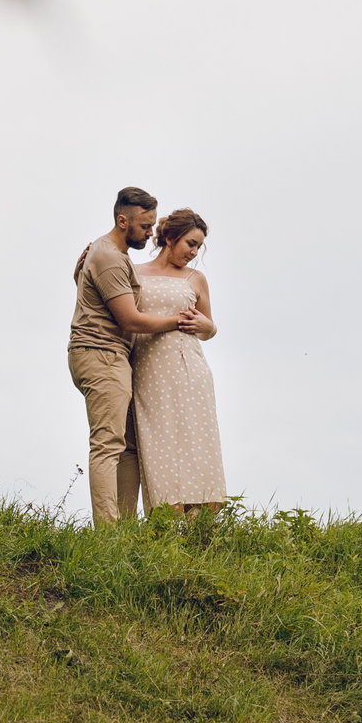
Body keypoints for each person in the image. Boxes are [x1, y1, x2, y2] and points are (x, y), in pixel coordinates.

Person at [68, 187, 198, 526]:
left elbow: (97, 295)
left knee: (127, 448)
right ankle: (107, 533)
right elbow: (130, 320)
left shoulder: (113, 255)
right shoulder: (110, 256)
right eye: (144, 226)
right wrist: (179, 321)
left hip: (112, 357)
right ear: (122, 221)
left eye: (152, 224)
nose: (151, 233)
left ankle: (123, 530)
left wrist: (78, 277)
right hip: (102, 355)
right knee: (108, 445)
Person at [131, 208, 225, 515]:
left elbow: (207, 328)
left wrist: (210, 328)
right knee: (159, 443)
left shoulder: (196, 279)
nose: (194, 252)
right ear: (170, 238)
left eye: (199, 246)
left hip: (190, 368)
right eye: (190, 243)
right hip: (149, 370)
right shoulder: (135, 272)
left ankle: (203, 522)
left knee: (197, 441)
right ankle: (165, 522)